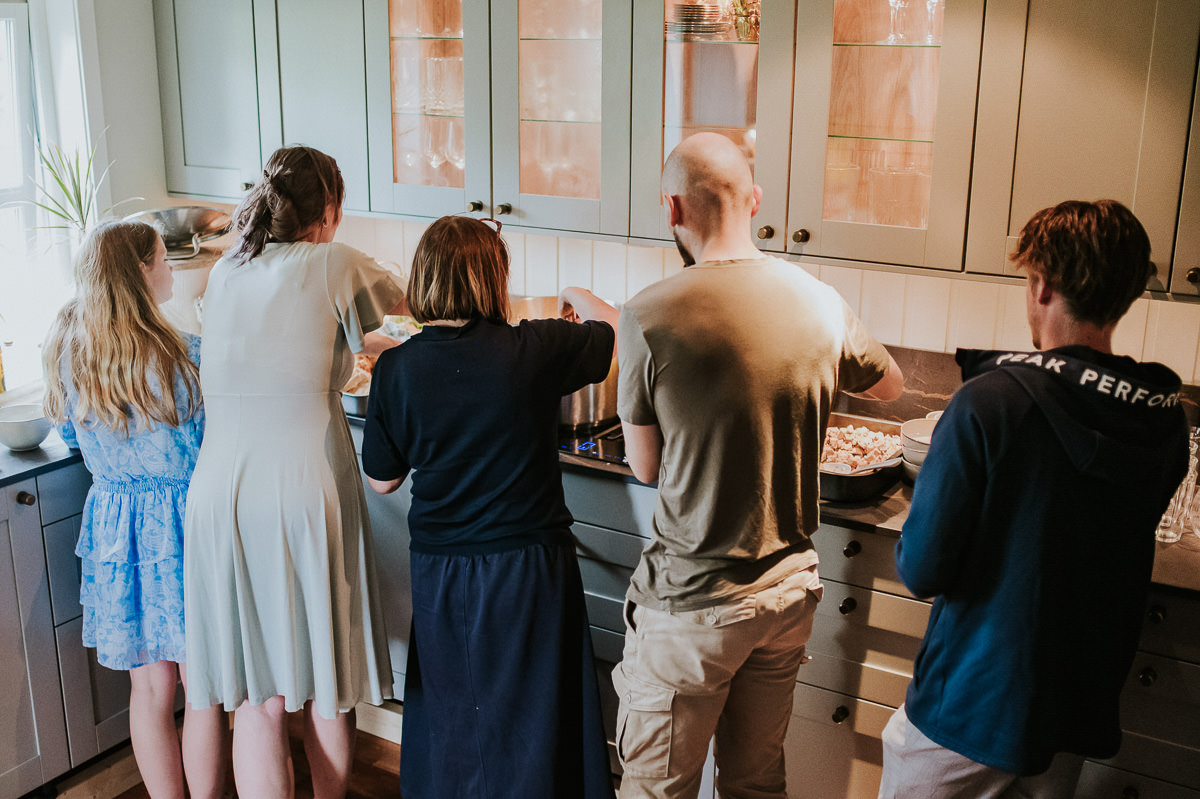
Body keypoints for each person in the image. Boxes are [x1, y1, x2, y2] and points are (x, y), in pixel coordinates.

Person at [612, 132, 904, 799]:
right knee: (754, 784)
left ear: (672, 211)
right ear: (757, 201)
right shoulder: (822, 302)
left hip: (693, 605)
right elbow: (889, 384)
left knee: (658, 790)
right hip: (786, 593)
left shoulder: (648, 316)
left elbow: (646, 466)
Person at [878, 199, 1191, 799]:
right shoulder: (1162, 419)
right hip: (1073, 707)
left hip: (972, 705)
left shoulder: (989, 403)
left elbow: (921, 568)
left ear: (1041, 285)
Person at [360, 215, 616, 799]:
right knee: (535, 711)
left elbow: (382, 481)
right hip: (528, 566)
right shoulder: (533, 347)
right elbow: (615, 328)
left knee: (456, 708)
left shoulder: (398, 368)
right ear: (492, 279)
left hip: (443, 569)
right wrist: (574, 293)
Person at [183, 145, 404, 799]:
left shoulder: (227, 268)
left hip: (219, 496)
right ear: (330, 210)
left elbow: (306, 344)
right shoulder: (332, 259)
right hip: (298, 494)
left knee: (257, 697)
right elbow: (420, 307)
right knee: (326, 690)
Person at [42, 220, 229, 799]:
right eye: (162, 258)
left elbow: (73, 440)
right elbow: (212, 447)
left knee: (149, 692)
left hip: (115, 532)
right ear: (142, 272)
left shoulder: (72, 357)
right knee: (202, 690)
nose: (171, 266)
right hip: (184, 529)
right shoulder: (186, 358)